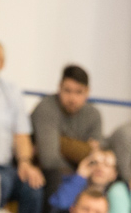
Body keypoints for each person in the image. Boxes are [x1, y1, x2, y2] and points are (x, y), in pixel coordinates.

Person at [31, 64, 106, 197]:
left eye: (79, 92)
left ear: (87, 92)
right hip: (43, 171)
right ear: (59, 87)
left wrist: (60, 142)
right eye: (67, 91)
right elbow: (49, 159)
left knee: (103, 177)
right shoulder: (46, 108)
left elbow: (94, 157)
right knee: (53, 176)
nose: (72, 98)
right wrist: (80, 154)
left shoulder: (93, 114)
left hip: (81, 174)